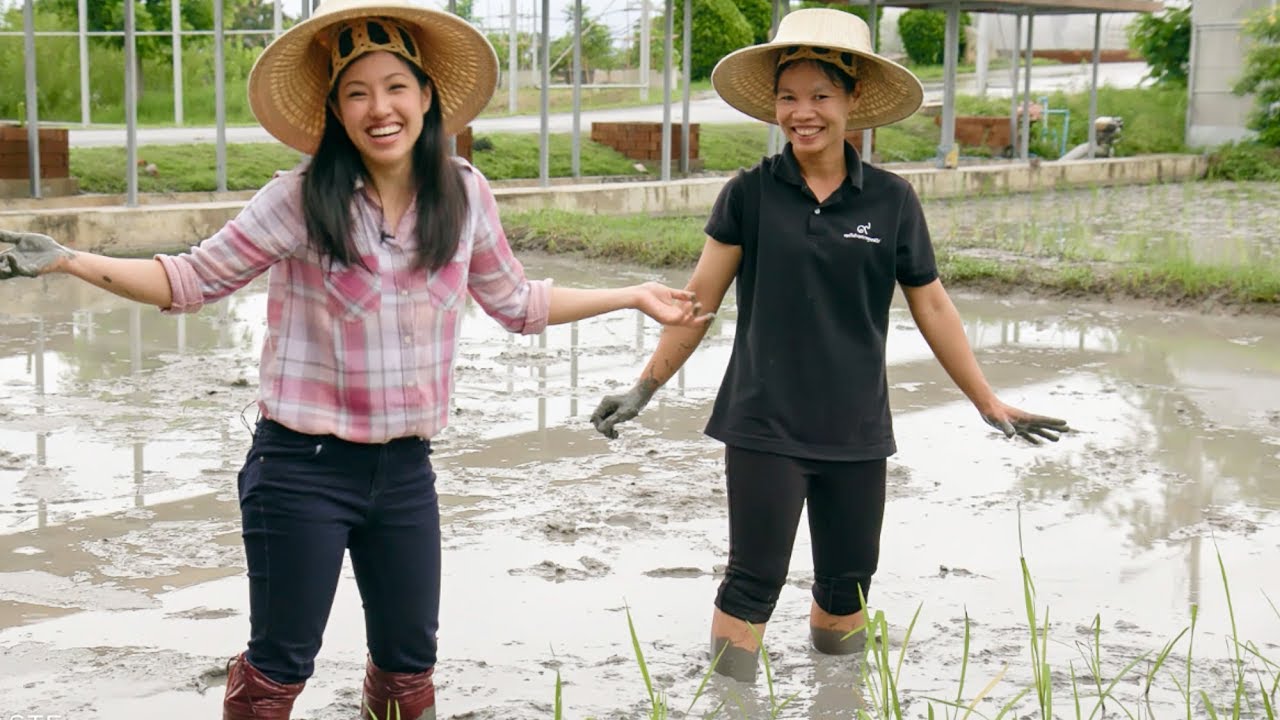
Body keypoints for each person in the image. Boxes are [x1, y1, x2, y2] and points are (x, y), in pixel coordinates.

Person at [0, 1, 712, 717]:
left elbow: (517, 303)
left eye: (396, 87)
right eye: (357, 92)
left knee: (410, 667)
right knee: (281, 665)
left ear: (427, 97)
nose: (381, 108)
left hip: (404, 472)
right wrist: (68, 259)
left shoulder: (463, 194)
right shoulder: (301, 199)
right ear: (337, 111)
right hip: (300, 470)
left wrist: (632, 294)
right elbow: (189, 282)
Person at [589, 8, 1069, 684]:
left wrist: (986, 400)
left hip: (856, 430)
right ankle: (733, 699)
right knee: (753, 582)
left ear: (854, 101)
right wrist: (644, 387)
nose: (802, 112)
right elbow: (696, 305)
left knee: (848, 586)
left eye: (820, 95)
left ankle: (840, 697)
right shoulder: (750, 195)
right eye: (788, 97)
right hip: (764, 425)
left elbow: (931, 303)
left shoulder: (893, 202)